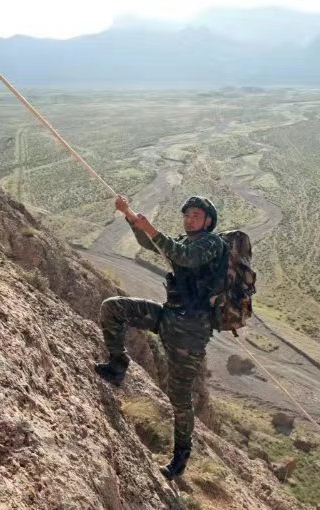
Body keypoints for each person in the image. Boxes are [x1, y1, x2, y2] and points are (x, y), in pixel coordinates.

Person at [94, 194, 224, 480]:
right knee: (113, 308)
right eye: (187, 214)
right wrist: (128, 213)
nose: (190, 219)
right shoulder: (185, 241)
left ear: (208, 222)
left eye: (196, 216)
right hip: (168, 317)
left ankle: (180, 457)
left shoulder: (211, 245)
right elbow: (150, 243)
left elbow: (183, 257)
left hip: (190, 334)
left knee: (179, 397)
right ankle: (118, 365)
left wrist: (152, 229)